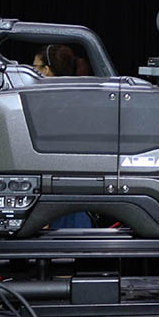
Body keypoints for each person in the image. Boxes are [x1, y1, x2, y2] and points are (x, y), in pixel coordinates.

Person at [33, 44, 94, 229]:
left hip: (59, 199)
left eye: (35, 67)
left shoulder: (47, 107)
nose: (31, 72)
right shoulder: (79, 100)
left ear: (47, 70)